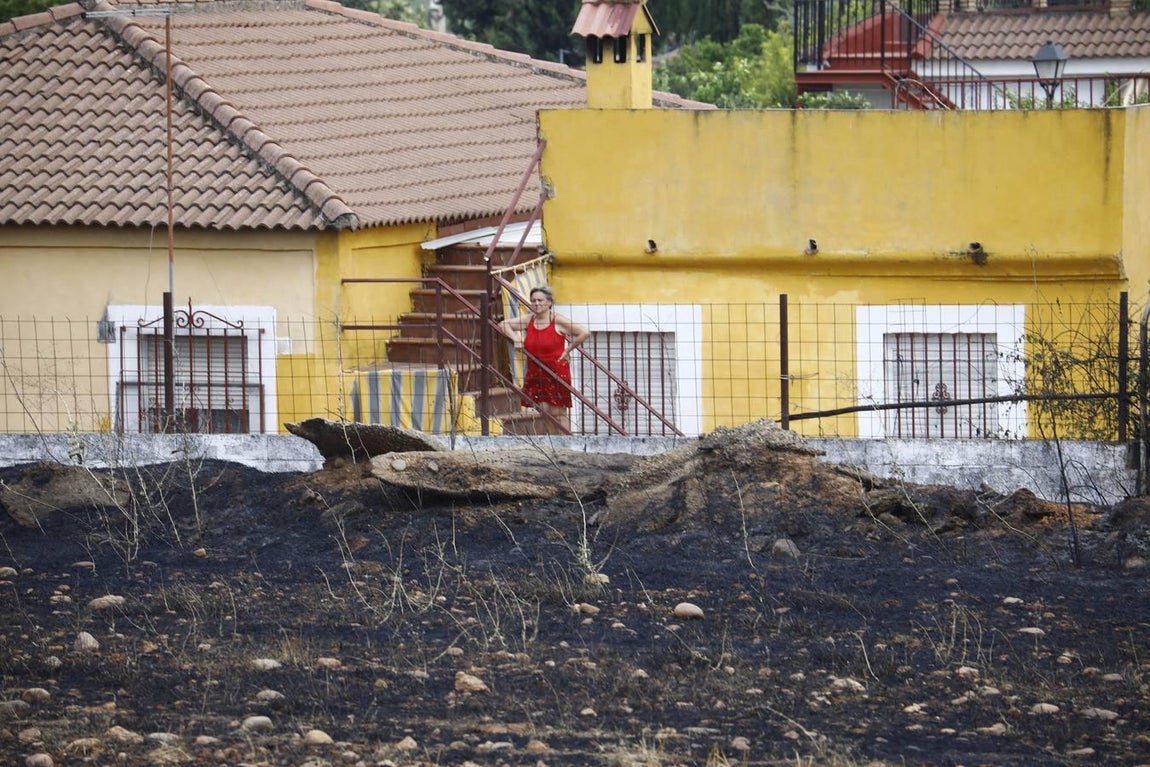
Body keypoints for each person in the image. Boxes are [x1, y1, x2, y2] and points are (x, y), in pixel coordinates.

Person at [499, 286, 590, 433]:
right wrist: (516, 339)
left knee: (558, 412)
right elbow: (503, 325)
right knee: (544, 411)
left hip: (555, 370)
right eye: (533, 300)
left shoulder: (557, 320)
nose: (536, 303)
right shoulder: (529, 320)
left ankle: (565, 442)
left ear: (549, 302)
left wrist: (567, 350)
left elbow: (584, 332)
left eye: (540, 300)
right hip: (536, 370)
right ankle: (553, 442)